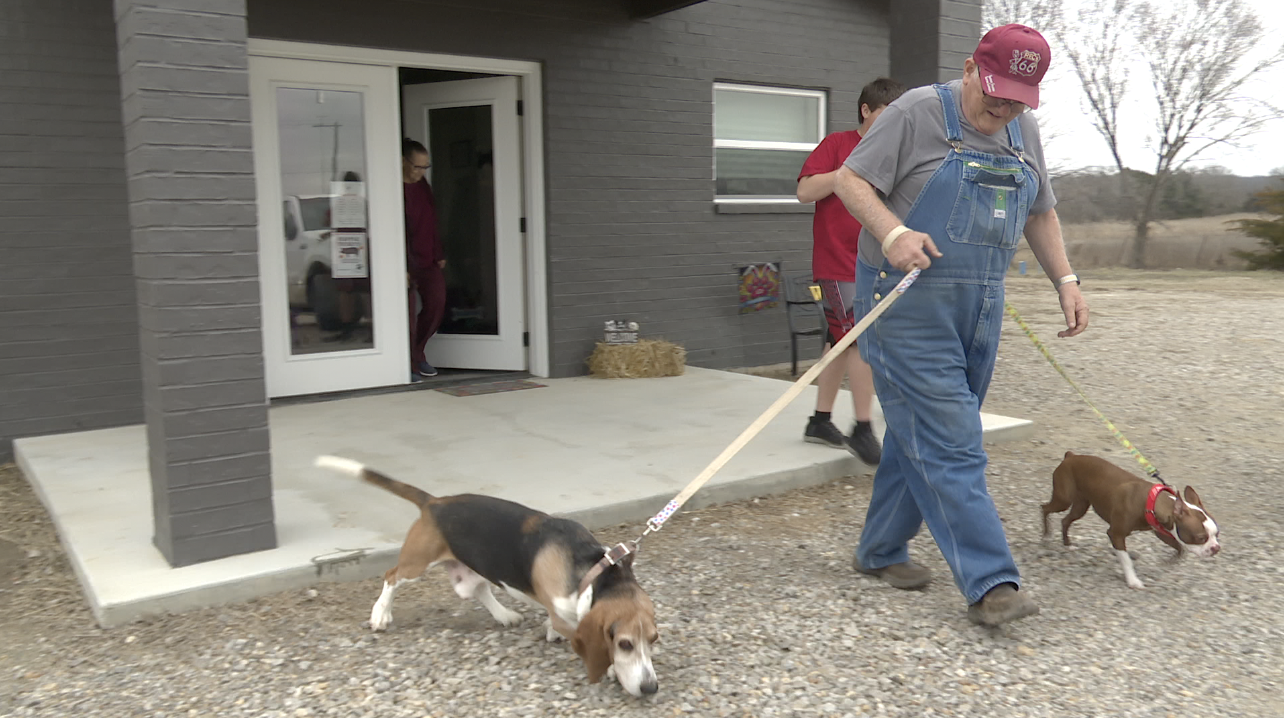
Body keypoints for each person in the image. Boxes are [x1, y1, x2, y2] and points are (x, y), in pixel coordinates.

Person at [833, 24, 1089, 626]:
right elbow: (850, 181)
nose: (1002, 111)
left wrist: (1067, 281)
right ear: (972, 67)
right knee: (953, 440)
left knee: (921, 431)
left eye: (1017, 102)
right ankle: (991, 581)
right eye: (994, 95)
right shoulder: (915, 112)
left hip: (979, 305)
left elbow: (1041, 211)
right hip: (903, 301)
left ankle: (877, 550)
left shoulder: (1022, 130)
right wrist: (893, 233)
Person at [797, 77, 906, 465]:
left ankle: (820, 420)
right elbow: (805, 191)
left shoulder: (894, 153)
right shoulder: (838, 145)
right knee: (861, 339)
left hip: (874, 265)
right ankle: (863, 427)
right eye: (885, 114)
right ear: (866, 111)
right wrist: (845, 173)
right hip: (835, 263)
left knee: (837, 342)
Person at [403, 138, 447, 380]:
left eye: (424, 167)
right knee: (407, 316)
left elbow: (432, 220)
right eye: (417, 166)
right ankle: (409, 364)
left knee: (436, 304)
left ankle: (418, 353)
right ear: (402, 162)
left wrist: (438, 252)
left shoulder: (423, 186)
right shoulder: (395, 188)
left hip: (428, 259)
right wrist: (401, 265)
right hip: (406, 263)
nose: (420, 172)